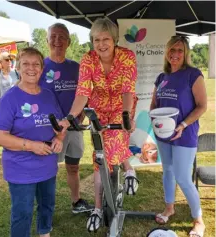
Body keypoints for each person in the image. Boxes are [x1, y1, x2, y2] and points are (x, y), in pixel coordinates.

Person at [58, 18, 139, 232]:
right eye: (96, 40)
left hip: (122, 106)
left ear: (115, 40)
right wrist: (69, 118)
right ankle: (101, 203)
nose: (101, 44)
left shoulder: (127, 57)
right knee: (100, 157)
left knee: (109, 148)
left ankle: (102, 201)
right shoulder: (87, 59)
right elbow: (83, 92)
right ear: (91, 41)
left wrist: (125, 116)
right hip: (98, 110)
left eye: (106, 39)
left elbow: (128, 90)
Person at [0, 47, 65, 237]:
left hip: (47, 165)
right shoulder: (10, 98)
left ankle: (45, 233)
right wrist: (31, 146)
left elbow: (59, 126)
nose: (31, 68)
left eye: (36, 64)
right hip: (20, 168)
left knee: (47, 205)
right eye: (26, 64)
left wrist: (58, 138)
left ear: (42, 69)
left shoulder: (48, 95)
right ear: (18, 67)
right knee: (22, 213)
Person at [150, 36, 207, 237]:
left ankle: (198, 220)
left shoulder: (193, 75)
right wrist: (154, 121)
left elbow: (202, 106)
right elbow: (154, 105)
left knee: (183, 177)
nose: (175, 54)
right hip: (164, 134)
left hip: (185, 133)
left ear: (186, 53)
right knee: (168, 171)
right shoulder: (162, 77)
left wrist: (183, 124)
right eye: (172, 50)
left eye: (180, 50)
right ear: (166, 52)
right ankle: (169, 208)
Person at [39, 23, 93, 214]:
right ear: (47, 40)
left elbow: (86, 94)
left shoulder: (76, 68)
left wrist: (82, 115)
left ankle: (76, 202)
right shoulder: (39, 68)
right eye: (53, 36)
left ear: (69, 42)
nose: (57, 41)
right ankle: (45, 208)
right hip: (48, 130)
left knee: (73, 167)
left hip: (73, 128)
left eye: (62, 37)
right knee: (47, 171)